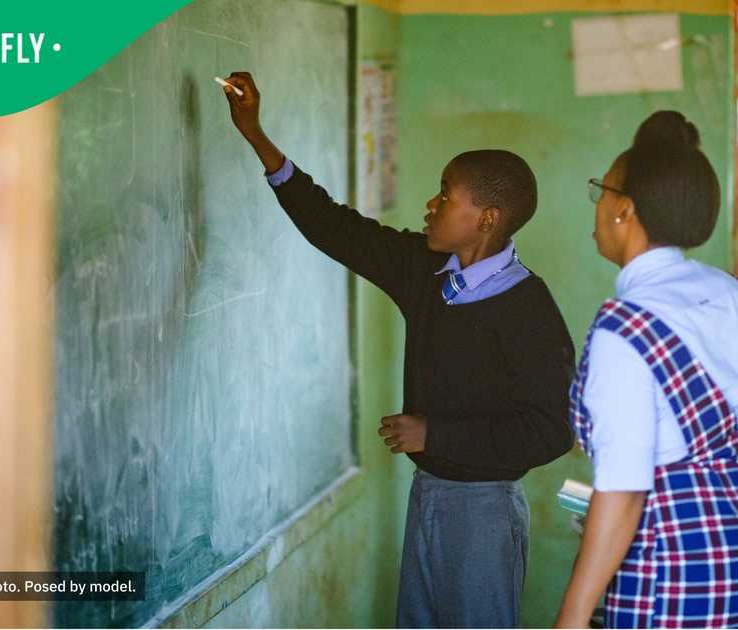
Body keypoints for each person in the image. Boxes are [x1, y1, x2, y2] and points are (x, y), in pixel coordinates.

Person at [221, 72, 574, 628]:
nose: (431, 204)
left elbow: (551, 430)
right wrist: (256, 136)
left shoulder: (527, 307)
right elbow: (335, 228)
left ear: (486, 219)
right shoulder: (426, 270)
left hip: (485, 510)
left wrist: (436, 434)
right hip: (429, 494)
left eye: (446, 195)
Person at [554, 111, 738, 628]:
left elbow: (625, 491)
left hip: (681, 570)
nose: (597, 205)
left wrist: (572, 616)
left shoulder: (625, 326)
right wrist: (713, 478)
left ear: (624, 210)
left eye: (601, 191)